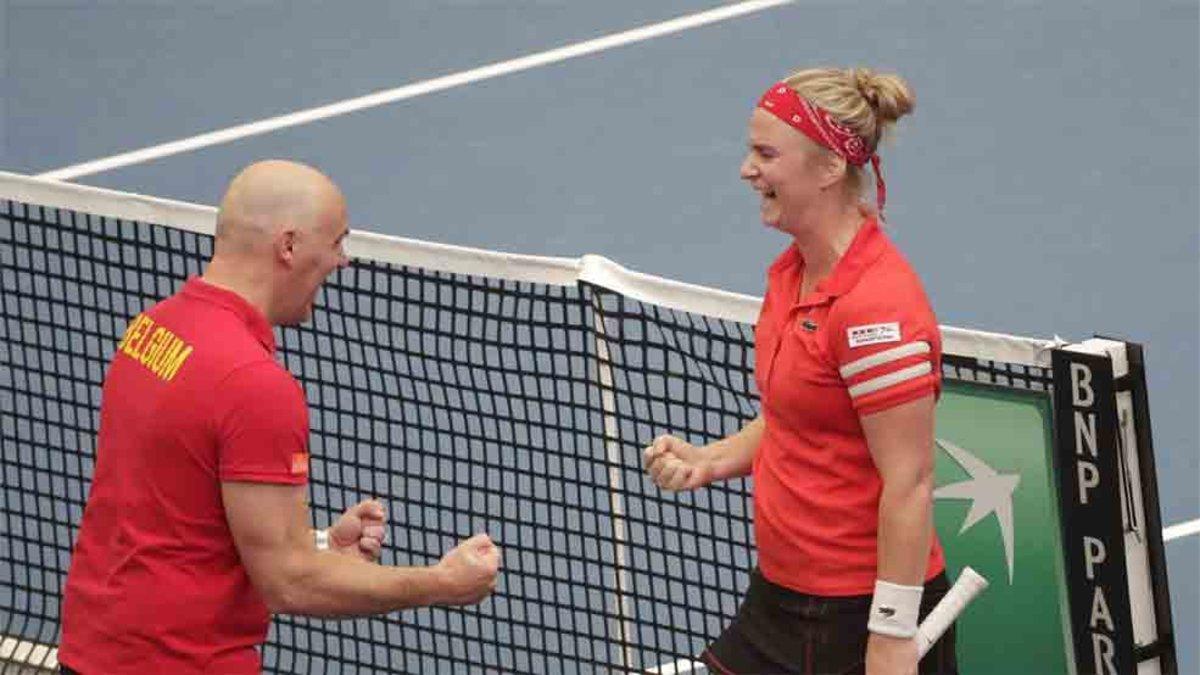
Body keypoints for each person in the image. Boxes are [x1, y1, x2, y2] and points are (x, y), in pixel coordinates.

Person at [59, 160, 502, 674]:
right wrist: (442, 583)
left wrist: (315, 545)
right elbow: (289, 582)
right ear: (289, 247)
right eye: (337, 242)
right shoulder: (255, 385)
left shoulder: (152, 330)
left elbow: (180, 514)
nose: (342, 261)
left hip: (94, 652)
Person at [643, 68, 957, 675]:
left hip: (855, 614)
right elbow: (799, 417)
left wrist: (891, 634)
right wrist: (715, 458)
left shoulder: (875, 308)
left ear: (830, 167)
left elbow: (910, 481)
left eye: (765, 153)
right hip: (781, 599)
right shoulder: (791, 273)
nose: (745, 169)